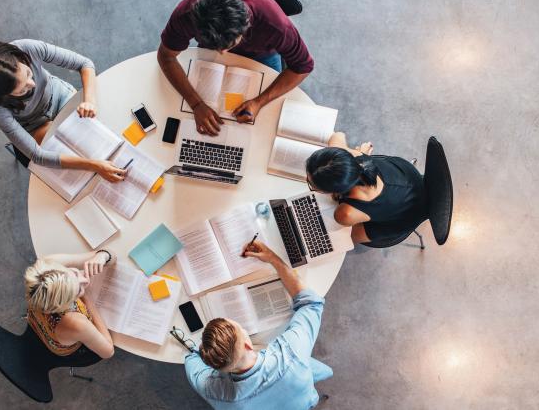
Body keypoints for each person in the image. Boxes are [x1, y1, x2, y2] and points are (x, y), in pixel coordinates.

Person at [182, 241, 332, 409]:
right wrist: (273, 259)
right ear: (247, 344)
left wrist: (208, 349)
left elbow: (191, 359)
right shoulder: (291, 353)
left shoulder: (213, 391)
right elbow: (311, 303)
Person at [0, 40, 126, 182]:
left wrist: (89, 101)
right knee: (76, 157)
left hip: (60, 97)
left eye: (28, 73)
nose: (32, 84)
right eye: (21, 90)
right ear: (2, 97)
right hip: (34, 125)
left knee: (104, 130)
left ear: (19, 58)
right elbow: (37, 155)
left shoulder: (27, 48)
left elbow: (85, 64)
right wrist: (94, 166)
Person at [157, 0, 314, 135]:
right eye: (216, 46)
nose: (222, 53)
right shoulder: (185, 14)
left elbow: (303, 67)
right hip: (213, 52)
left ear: (246, 25)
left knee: (265, 121)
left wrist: (259, 101)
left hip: (263, 54)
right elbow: (166, 57)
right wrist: (196, 104)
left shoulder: (275, 25)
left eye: (228, 45)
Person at [305, 132, 427, 244]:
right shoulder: (355, 156)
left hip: (405, 218)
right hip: (409, 177)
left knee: (342, 239)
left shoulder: (345, 214)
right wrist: (351, 152)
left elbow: (346, 233)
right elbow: (338, 135)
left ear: (333, 190)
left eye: (311, 185)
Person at [25, 250, 116, 359]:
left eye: (75, 273)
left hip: (36, 320)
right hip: (63, 348)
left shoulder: (47, 264)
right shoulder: (76, 322)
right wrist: (87, 297)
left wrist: (102, 256)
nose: (85, 280)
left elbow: (111, 255)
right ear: (64, 305)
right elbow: (108, 352)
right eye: (78, 291)